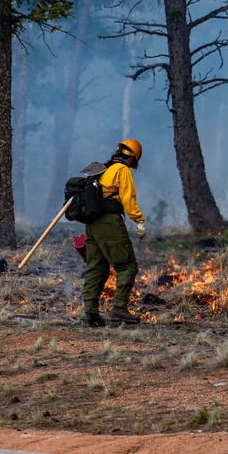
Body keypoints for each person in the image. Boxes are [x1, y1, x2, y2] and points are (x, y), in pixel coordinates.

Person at [83, 140, 146, 327]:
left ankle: (91, 314)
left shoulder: (103, 169)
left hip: (92, 224)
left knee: (97, 268)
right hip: (109, 222)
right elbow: (128, 198)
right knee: (127, 265)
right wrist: (139, 220)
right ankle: (119, 308)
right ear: (132, 158)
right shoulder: (122, 170)